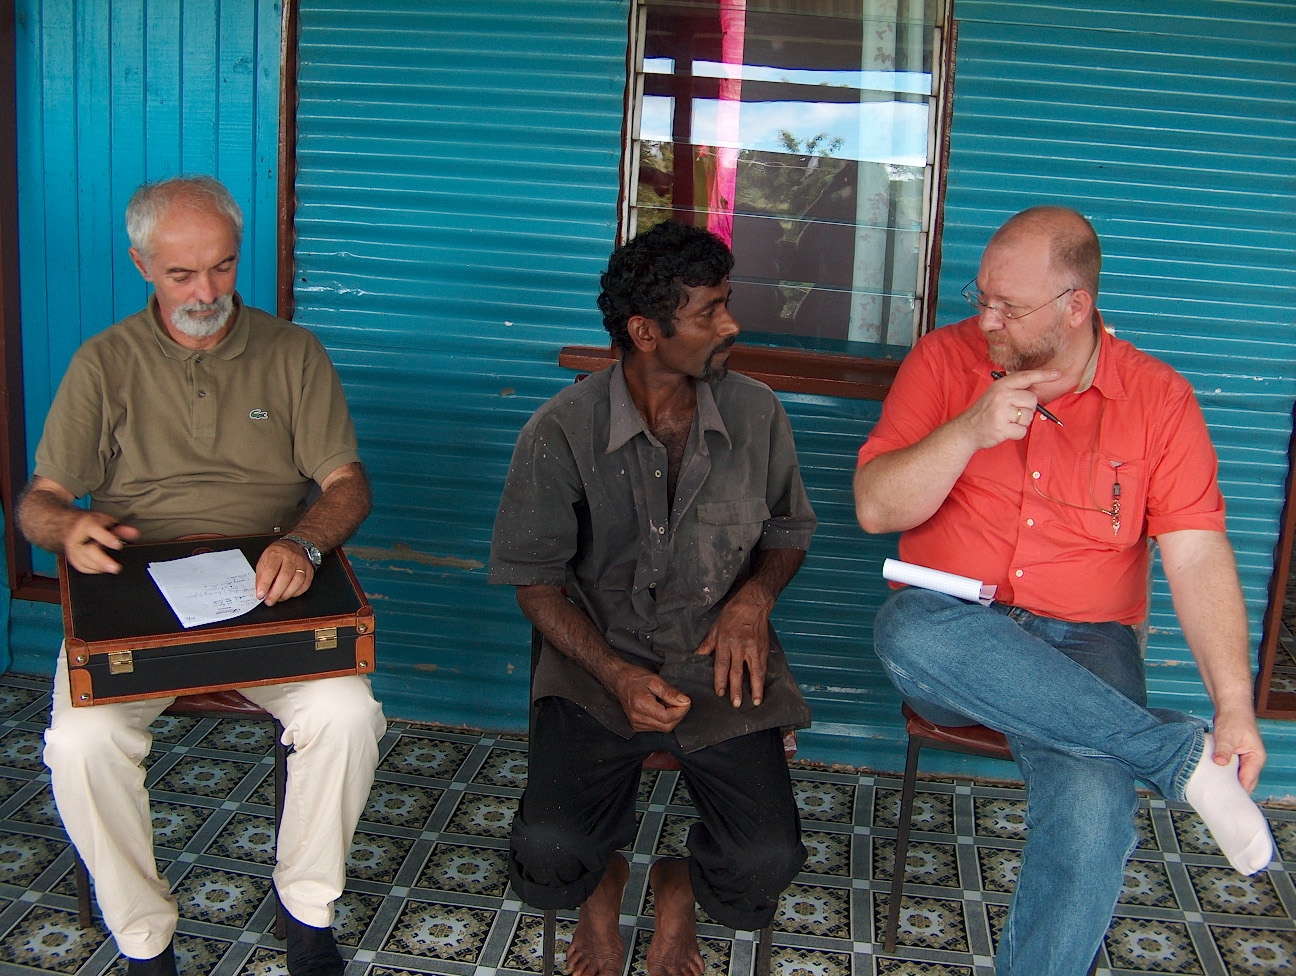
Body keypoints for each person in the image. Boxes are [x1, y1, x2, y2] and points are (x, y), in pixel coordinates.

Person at [853, 205, 1274, 975]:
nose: (986, 321)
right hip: (953, 627)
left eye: (1008, 307)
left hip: (1088, 640)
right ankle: (1176, 755)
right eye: (982, 298)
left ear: (1076, 306)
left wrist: (1235, 704)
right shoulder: (943, 361)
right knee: (905, 629)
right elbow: (877, 509)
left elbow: (1196, 554)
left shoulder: (1158, 399)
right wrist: (969, 429)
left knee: (1094, 806)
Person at [17, 175, 387, 976]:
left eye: (222, 267)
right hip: (138, 597)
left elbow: (347, 484)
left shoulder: (293, 353)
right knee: (81, 743)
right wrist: (68, 527)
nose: (207, 293)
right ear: (141, 265)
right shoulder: (103, 363)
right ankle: (144, 939)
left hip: (266, 583)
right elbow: (39, 501)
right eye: (181, 274)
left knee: (347, 714)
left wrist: (306, 545)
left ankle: (308, 909)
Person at [490, 221, 816, 976]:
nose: (731, 325)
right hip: (596, 667)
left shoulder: (757, 413)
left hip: (718, 664)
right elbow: (535, 583)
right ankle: (601, 882)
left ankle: (677, 886)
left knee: (767, 857)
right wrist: (616, 674)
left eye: (727, 302)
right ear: (645, 332)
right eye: (710, 311)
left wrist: (753, 601)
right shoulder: (559, 432)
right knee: (551, 849)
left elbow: (789, 529)